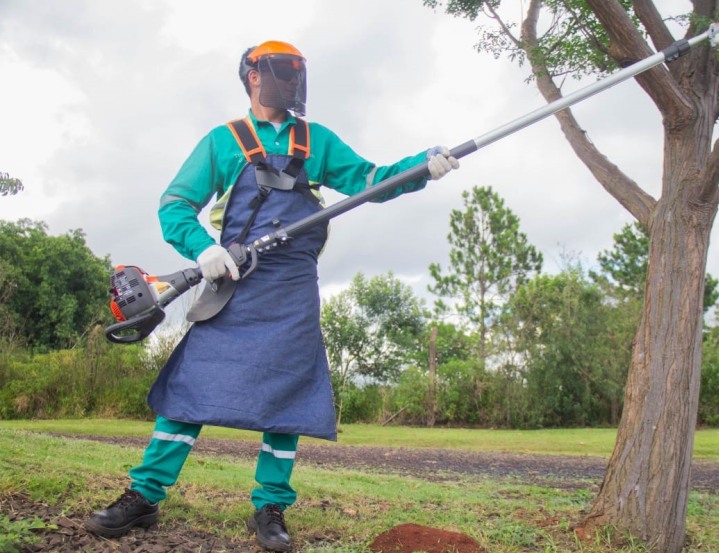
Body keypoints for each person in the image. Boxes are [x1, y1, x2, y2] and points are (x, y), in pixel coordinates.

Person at [85, 40, 459, 552]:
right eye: (283, 70)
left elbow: (371, 181)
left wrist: (422, 167)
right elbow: (174, 205)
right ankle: (144, 495)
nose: (293, 80)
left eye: (298, 72)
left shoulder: (316, 139)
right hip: (234, 280)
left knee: (289, 396)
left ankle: (270, 507)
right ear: (253, 76)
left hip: (291, 286)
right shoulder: (224, 140)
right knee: (191, 386)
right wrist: (204, 250)